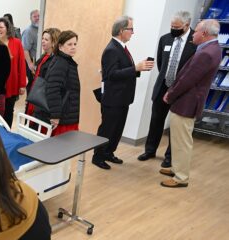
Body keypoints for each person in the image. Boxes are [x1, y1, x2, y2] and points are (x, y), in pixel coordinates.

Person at [161, 19, 222, 188]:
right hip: (189, 101)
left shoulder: (206, 53)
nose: (193, 33)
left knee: (182, 141)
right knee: (180, 139)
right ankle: (176, 168)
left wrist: (170, 94)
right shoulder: (213, 49)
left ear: (204, 34)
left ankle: (181, 177)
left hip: (186, 103)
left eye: (195, 31)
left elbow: (188, 79)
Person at [92, 16, 154, 170]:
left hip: (122, 98)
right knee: (107, 129)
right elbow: (111, 74)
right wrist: (135, 68)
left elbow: (121, 70)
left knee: (117, 129)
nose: (133, 32)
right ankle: (97, 156)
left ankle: (108, 152)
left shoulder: (121, 47)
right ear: (121, 31)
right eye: (131, 29)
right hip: (113, 98)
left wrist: (138, 68)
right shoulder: (111, 49)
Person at [138, 11, 196, 168]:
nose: (173, 28)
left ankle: (170, 156)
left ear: (186, 25)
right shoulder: (165, 39)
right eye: (171, 25)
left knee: (175, 124)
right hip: (163, 86)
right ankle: (149, 150)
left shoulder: (195, 41)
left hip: (182, 89)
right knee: (156, 119)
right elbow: (160, 64)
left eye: (176, 27)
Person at [33, 30, 80, 136]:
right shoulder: (61, 63)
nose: (73, 47)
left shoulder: (66, 61)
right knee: (61, 149)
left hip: (67, 114)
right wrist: (55, 115)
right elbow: (52, 89)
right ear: (60, 46)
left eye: (75, 44)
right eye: (69, 44)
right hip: (62, 117)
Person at [0, 17, 27, 127]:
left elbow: (21, 65)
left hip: (12, 83)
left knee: (9, 112)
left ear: (7, 28)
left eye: (1, 27)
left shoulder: (16, 43)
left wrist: (22, 84)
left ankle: (8, 133)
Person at [26, 28, 61, 116]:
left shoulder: (56, 60)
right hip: (34, 93)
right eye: (42, 38)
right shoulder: (43, 56)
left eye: (46, 39)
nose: (42, 41)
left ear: (54, 42)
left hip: (42, 99)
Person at [22, 9, 40, 94]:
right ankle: (29, 105)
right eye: (34, 16)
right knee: (32, 84)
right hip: (32, 61)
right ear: (31, 18)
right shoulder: (28, 31)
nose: (37, 18)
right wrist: (30, 64)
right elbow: (25, 49)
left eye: (38, 16)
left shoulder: (42, 28)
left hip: (40, 61)